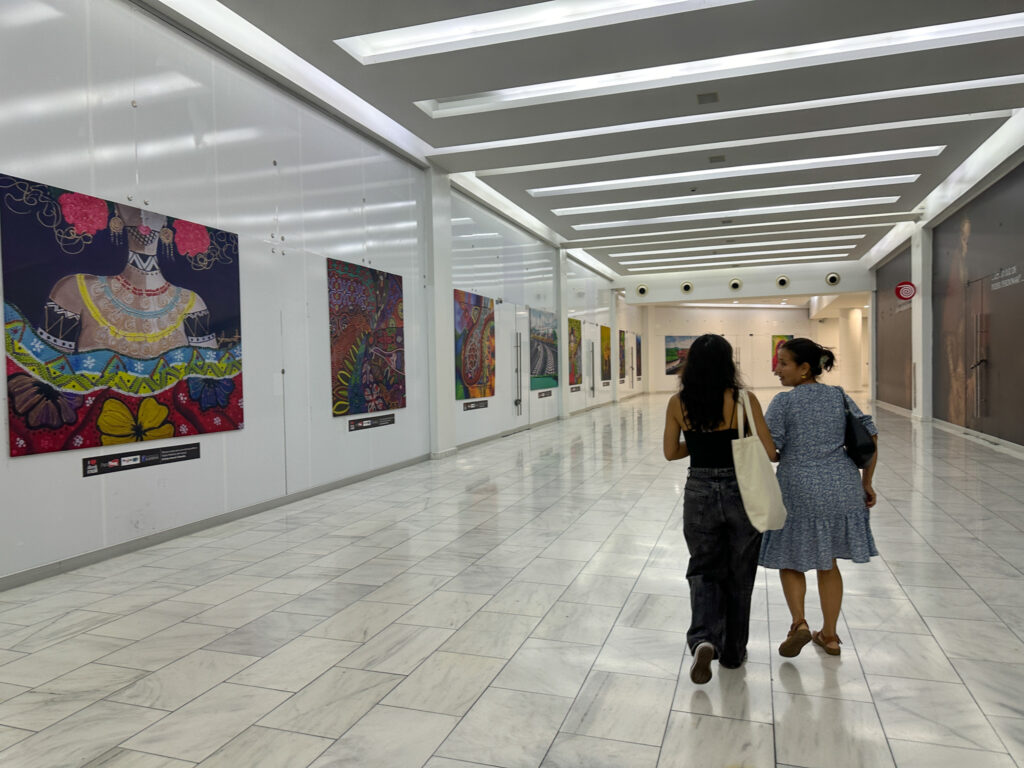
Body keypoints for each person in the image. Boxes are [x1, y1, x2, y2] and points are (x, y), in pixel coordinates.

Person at [663, 334, 777, 684]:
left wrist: (698, 444)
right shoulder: (744, 399)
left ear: (690, 364)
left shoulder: (678, 403)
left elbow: (671, 452)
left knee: (702, 569)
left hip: (699, 489)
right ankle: (732, 651)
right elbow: (769, 451)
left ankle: (703, 639)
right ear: (729, 363)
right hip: (742, 489)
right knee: (739, 574)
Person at [759, 337, 879, 657]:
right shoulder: (838, 396)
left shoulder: (784, 402)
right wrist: (867, 482)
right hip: (841, 486)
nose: (777, 370)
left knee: (790, 559)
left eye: (783, 363)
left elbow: (771, 452)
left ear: (804, 369)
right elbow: (870, 436)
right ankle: (830, 636)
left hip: (797, 487)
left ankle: (799, 623)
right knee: (829, 563)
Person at [39, 203, 216, 358]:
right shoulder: (75, 289)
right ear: (116, 210)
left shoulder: (192, 304)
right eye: (131, 205)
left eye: (153, 211)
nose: (143, 216)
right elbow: (49, 372)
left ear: (165, 221)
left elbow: (208, 378)